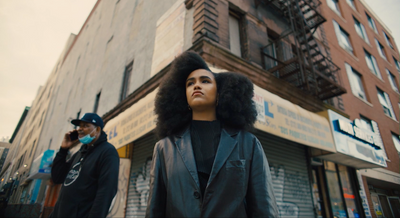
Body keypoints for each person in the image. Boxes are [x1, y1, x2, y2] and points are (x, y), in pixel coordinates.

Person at [146, 51, 278, 217]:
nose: (197, 85)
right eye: (190, 83)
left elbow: (263, 207)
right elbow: (154, 210)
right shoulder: (164, 149)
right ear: (183, 97)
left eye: (205, 81)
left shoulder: (248, 143)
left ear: (219, 94)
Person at [49, 113, 119, 218]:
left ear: (98, 130)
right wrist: (63, 150)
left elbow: (106, 192)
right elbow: (57, 177)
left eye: (86, 126)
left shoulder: (107, 152)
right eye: (80, 126)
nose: (80, 129)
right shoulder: (79, 153)